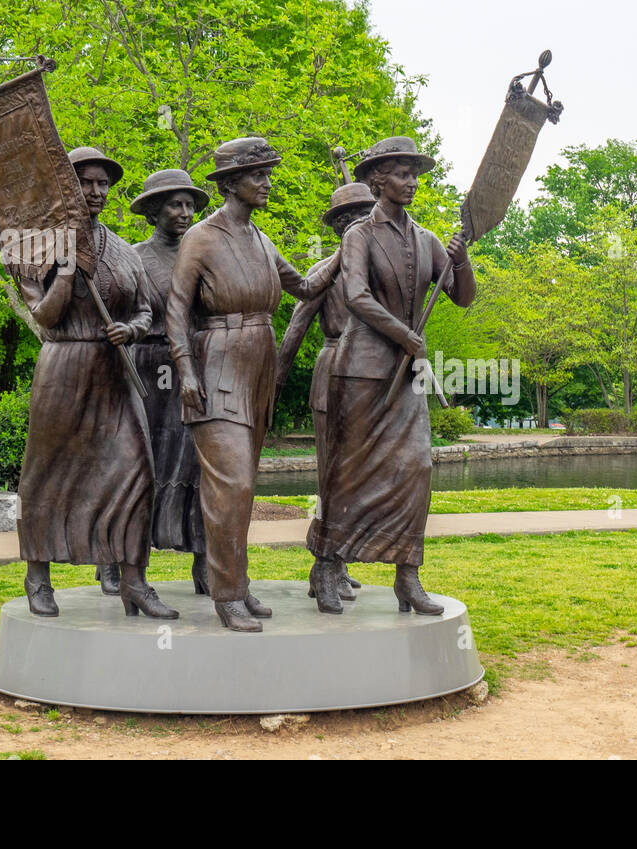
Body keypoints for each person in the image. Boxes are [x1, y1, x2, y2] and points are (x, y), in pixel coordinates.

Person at [167, 137, 339, 632]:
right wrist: (185, 372)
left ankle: (237, 586)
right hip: (216, 365)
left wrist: (348, 247)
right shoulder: (200, 237)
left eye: (268, 174)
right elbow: (176, 311)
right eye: (257, 174)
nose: (267, 183)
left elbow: (304, 287)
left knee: (242, 488)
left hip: (257, 369)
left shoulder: (262, 240)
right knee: (232, 486)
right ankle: (225, 595)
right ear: (229, 183)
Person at [305, 136, 475, 614]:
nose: (412, 182)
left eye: (415, 174)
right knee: (347, 471)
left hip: (407, 375)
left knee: (415, 468)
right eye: (402, 173)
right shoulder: (357, 235)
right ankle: (327, 562)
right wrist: (404, 334)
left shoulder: (426, 240)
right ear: (378, 180)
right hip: (360, 369)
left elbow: (464, 298)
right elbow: (356, 296)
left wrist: (461, 260)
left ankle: (407, 574)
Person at [15, 146, 177, 620]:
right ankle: (38, 575)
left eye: (103, 183)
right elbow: (43, 316)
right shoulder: (35, 246)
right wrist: (66, 272)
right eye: (86, 182)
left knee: (137, 470)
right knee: (48, 474)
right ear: (66, 185)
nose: (96, 191)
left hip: (115, 371)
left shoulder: (124, 251)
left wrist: (131, 329)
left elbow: (147, 310)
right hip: (64, 368)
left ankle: (134, 580)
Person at [275, 181, 377, 603]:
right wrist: (275, 383)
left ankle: (341, 558)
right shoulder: (325, 270)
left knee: (361, 477)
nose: (359, 225)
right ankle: (326, 564)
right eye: (348, 220)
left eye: (364, 216)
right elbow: (296, 327)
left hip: (375, 376)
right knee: (332, 477)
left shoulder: (381, 267)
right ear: (337, 227)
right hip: (335, 370)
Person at [130, 169, 212, 594]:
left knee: (200, 466)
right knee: (142, 466)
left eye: (189, 205)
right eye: (174, 204)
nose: (185, 213)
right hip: (149, 367)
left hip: (195, 367)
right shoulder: (135, 257)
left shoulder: (201, 252)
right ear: (152, 210)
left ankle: (204, 561)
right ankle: (122, 562)